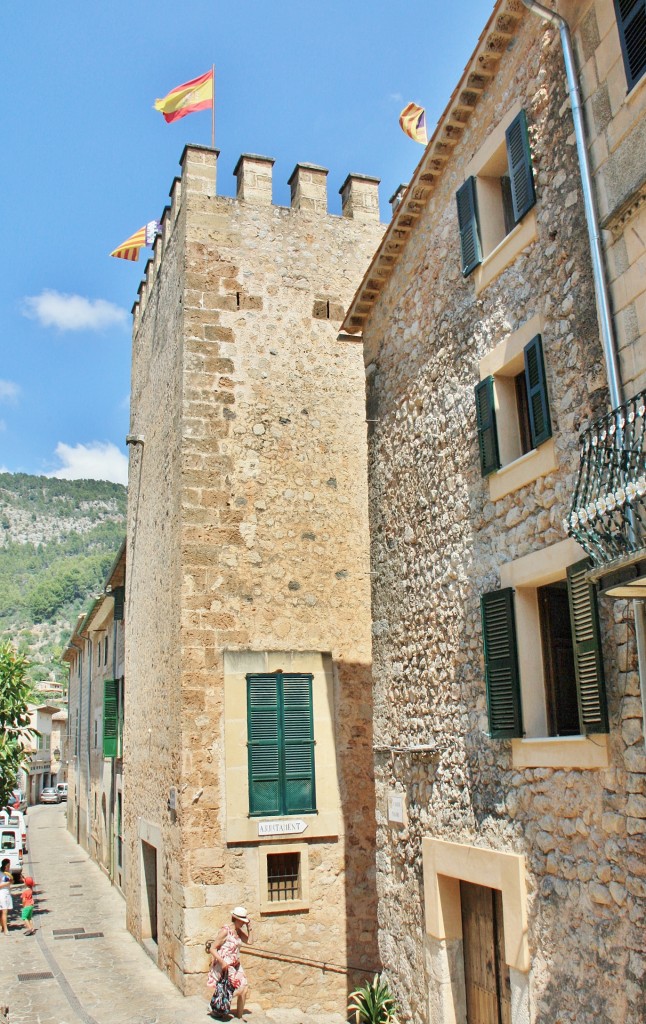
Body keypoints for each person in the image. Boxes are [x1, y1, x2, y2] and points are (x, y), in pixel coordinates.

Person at [207, 906, 253, 1020]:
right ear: (235, 919)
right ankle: (217, 1005)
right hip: (226, 966)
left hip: (236, 965)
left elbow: (250, 941)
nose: (243, 923)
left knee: (244, 988)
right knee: (232, 990)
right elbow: (212, 948)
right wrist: (222, 962)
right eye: (242, 921)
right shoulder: (225, 931)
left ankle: (239, 1016)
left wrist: (250, 928)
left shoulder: (238, 931)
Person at [0, 859, 12, 935]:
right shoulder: (0, 874)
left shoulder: (7, 873)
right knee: (4, 911)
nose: (9, 867)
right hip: (2, 893)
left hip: (7, 893)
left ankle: (2, 926)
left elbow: (10, 881)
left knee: (3, 911)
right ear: (5, 866)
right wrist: (8, 883)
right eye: (8, 866)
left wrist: (11, 881)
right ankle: (5, 929)